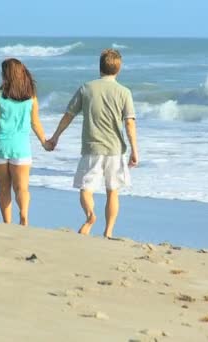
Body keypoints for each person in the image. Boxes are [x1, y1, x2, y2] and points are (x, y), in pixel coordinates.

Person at [46, 48, 138, 238]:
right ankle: (108, 231)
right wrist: (134, 150)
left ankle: (90, 216)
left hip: (91, 148)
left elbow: (68, 115)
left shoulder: (86, 88)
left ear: (100, 67)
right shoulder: (124, 92)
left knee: (86, 189)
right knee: (113, 191)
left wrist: (55, 137)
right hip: (115, 149)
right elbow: (129, 122)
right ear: (118, 69)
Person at [0, 58, 49, 226]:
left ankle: (7, 222)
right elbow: (35, 123)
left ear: (5, 75)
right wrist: (44, 142)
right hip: (21, 149)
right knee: (22, 188)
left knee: (3, 187)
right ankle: (23, 216)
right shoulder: (31, 98)